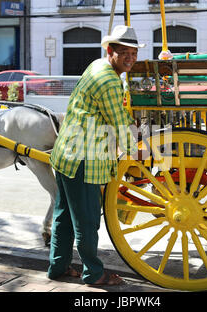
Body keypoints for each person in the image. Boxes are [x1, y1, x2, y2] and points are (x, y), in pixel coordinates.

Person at [47, 25, 144, 286]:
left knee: (64, 216)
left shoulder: (97, 65)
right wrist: (139, 154)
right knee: (87, 220)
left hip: (67, 153)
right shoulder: (108, 80)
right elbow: (119, 124)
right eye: (124, 52)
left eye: (133, 53)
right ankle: (94, 273)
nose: (130, 58)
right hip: (84, 159)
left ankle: (57, 268)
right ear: (110, 51)